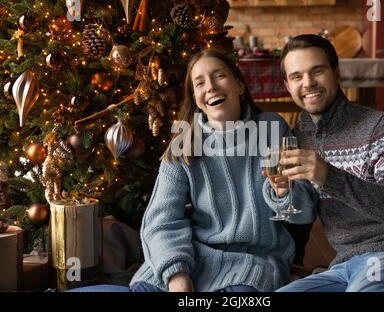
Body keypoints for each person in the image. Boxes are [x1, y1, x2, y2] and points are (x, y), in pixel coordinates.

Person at [69, 49, 317, 292]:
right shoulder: (185, 141)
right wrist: (177, 273)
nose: (210, 86)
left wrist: (285, 192)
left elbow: (302, 213)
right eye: (199, 83)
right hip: (191, 257)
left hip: (253, 260)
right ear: (196, 97)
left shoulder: (271, 127)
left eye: (219, 76)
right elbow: (161, 220)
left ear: (240, 86)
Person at [271, 34, 384, 292]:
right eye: (297, 76)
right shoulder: (299, 138)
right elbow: (301, 222)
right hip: (344, 265)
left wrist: (328, 176)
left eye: (317, 71)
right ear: (287, 85)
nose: (307, 83)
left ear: (336, 73)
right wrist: (285, 196)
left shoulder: (381, 127)